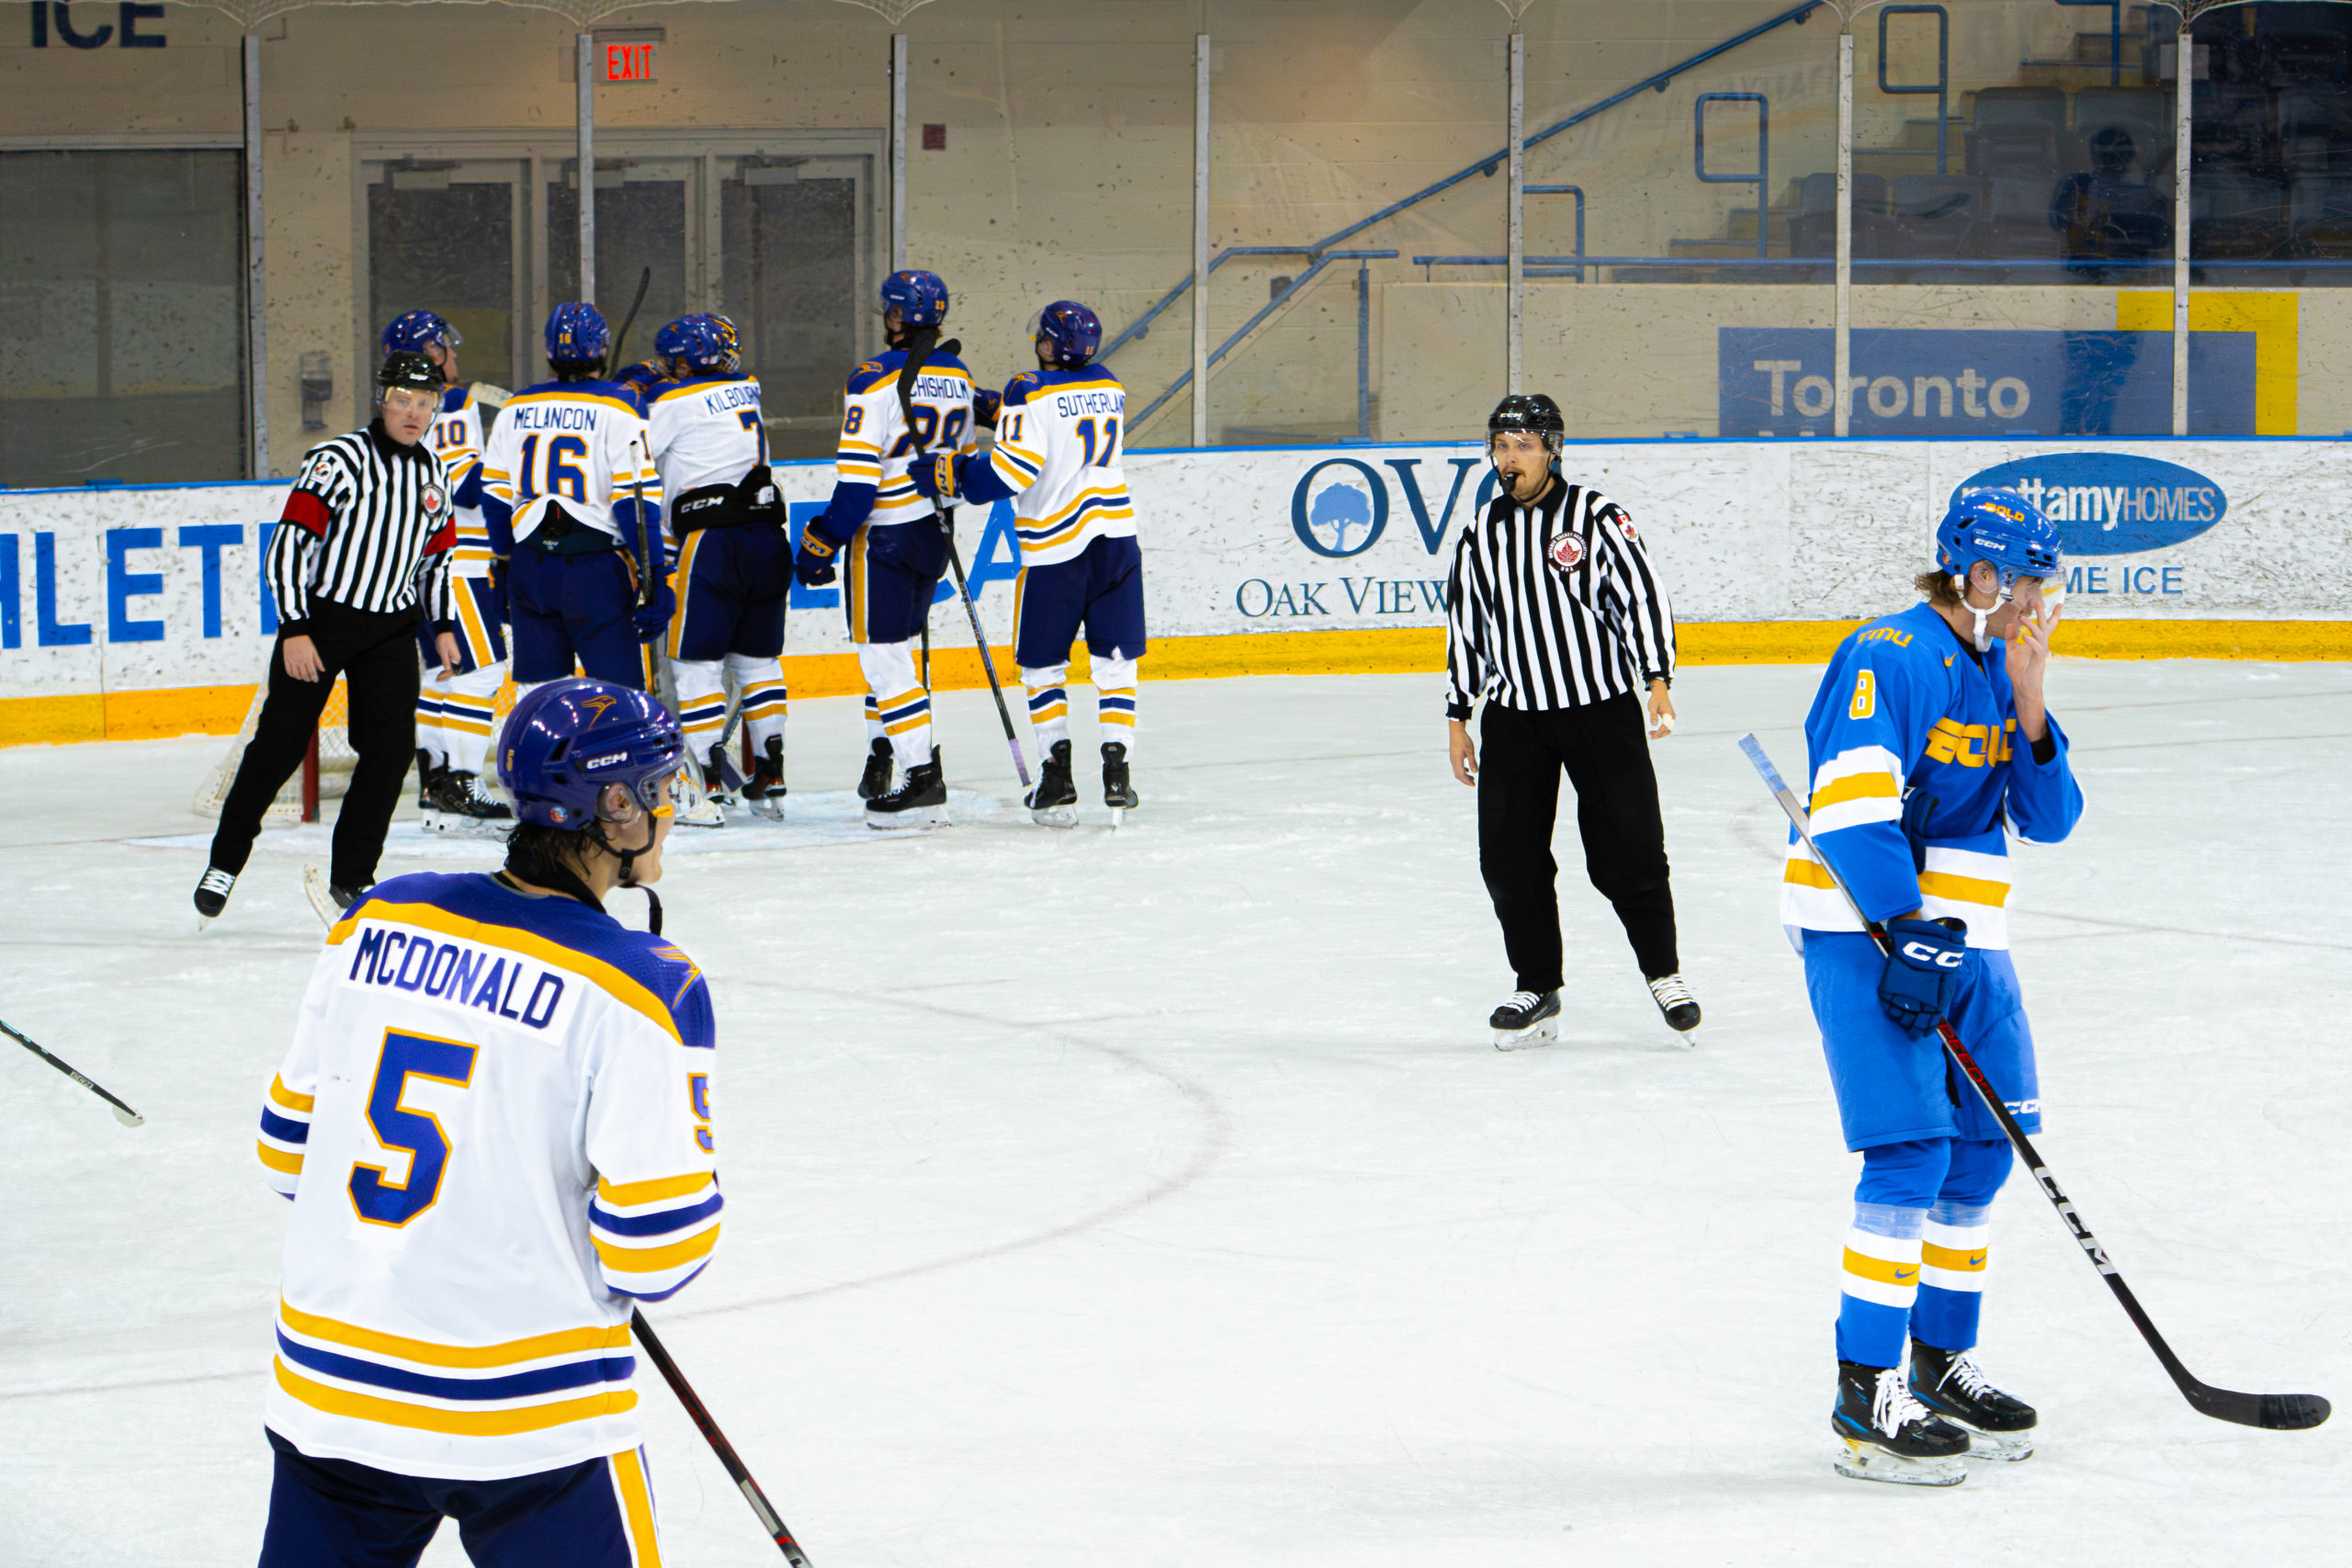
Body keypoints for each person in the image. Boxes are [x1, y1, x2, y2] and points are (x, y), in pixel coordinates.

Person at [252, 676, 716, 1563]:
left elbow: (286, 1156)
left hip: (331, 1396)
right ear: (614, 806)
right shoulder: (645, 988)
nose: (669, 804)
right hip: (530, 1420)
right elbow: (657, 1251)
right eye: (656, 787)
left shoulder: (378, 917)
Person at [1781, 489, 2079, 1486]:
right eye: (2026, 580)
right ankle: (1864, 1393)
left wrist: (2030, 696)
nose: (2039, 600)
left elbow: (2051, 817)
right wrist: (1903, 931)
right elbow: (1858, 812)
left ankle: (1940, 1362)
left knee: (1985, 1150)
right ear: (1975, 574)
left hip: (1968, 936)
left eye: (2046, 582)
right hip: (1865, 927)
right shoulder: (1889, 655)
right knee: (1908, 1156)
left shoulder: (2001, 670)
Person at [1442, 393, 1697, 1047]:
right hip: (1514, 718)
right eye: (1501, 446)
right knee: (1508, 856)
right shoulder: (1480, 533)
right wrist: (1458, 714)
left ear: (1553, 448)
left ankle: (1664, 974)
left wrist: (1656, 677)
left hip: (1600, 710)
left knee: (1628, 850)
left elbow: (1641, 593)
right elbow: (1468, 627)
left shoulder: (1597, 516)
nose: (1510, 458)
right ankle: (1537, 983)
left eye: (1523, 445)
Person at [194, 352, 460, 922]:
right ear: (381, 401)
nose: (413, 413)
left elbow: (437, 560)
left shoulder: (434, 475)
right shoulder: (338, 460)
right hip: (324, 621)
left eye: (424, 403)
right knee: (278, 749)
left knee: (389, 754)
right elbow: (289, 546)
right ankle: (226, 860)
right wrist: (295, 628)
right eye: (402, 401)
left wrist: (441, 626)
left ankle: (354, 878)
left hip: (392, 627)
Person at [910, 299, 1141, 826]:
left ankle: (1056, 777)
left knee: (1043, 666)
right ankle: (1117, 772)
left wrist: (956, 475)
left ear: (1049, 344)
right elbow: (1058, 421)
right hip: (1118, 543)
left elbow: (1015, 468)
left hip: (1058, 550)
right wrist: (984, 403)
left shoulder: (1026, 388)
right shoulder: (1111, 386)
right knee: (1115, 663)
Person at [792, 269, 979, 826]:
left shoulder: (872, 379)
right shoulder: (957, 372)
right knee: (894, 654)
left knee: (884, 657)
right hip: (933, 533)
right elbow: (959, 470)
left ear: (894, 318)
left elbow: (856, 488)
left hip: (886, 536)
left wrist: (819, 541)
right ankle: (884, 755)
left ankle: (922, 775)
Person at [644, 311, 791, 824]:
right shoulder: (748, 388)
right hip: (769, 537)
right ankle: (770, 775)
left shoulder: (668, 402)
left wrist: (631, 390)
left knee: (694, 666)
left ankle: (702, 785)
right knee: (758, 665)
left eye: (674, 361)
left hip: (710, 543)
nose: (668, 368)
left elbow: (630, 446)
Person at [481, 303, 668, 699]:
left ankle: (549, 762)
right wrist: (654, 580)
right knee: (620, 698)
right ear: (601, 349)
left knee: (543, 698)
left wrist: (504, 563)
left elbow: (495, 497)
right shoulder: (622, 406)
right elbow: (635, 505)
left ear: (549, 351)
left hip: (530, 568)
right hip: (594, 570)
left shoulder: (514, 407)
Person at [382, 310, 514, 835]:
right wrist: (512, 460)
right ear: (430, 354)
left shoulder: (391, 413)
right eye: (446, 347)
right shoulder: (449, 403)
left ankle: (435, 792)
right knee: (480, 673)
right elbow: (463, 486)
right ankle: (461, 781)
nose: (455, 357)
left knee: (442, 676)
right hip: (461, 561)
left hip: (417, 568)